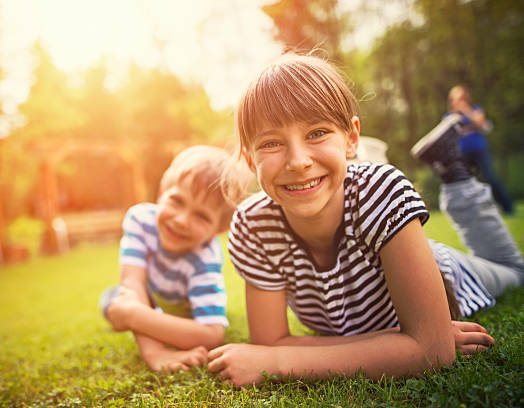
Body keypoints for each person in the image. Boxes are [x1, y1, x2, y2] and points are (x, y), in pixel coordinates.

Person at [206, 54, 524, 386]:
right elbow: (271, 340)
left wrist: (280, 361)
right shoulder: (254, 225)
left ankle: (456, 174)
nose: (298, 161)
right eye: (271, 143)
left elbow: (433, 351)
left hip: (451, 276)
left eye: (317, 133)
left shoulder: (383, 191)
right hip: (387, 306)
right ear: (249, 158)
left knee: (514, 271)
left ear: (352, 139)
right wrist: (396, 342)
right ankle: (452, 167)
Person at [99, 145, 247, 372]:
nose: (181, 220)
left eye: (201, 216)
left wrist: (134, 316)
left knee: (126, 309)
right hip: (150, 297)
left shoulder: (203, 258)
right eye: (177, 201)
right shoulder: (140, 220)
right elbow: (132, 284)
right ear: (161, 193)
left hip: (186, 312)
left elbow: (212, 334)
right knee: (112, 299)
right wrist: (155, 350)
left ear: (217, 230)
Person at [447, 85, 513, 214]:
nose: (459, 100)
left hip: (479, 149)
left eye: (461, 97)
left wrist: (465, 110)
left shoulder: (475, 109)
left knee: (490, 177)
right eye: (456, 98)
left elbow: (481, 124)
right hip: (462, 153)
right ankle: (474, 211)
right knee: (465, 183)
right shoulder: (449, 116)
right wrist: (456, 114)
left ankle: (507, 207)